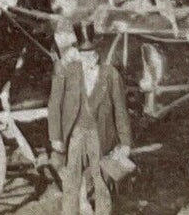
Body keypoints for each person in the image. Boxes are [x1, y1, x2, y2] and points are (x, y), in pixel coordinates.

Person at [48, 23, 132, 215]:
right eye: (83, 52)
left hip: (100, 134)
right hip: (74, 135)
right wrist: (56, 138)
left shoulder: (110, 74)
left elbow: (120, 110)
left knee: (101, 180)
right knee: (71, 181)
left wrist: (125, 142)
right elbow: (54, 104)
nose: (88, 57)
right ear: (77, 52)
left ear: (98, 51)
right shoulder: (66, 72)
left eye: (91, 52)